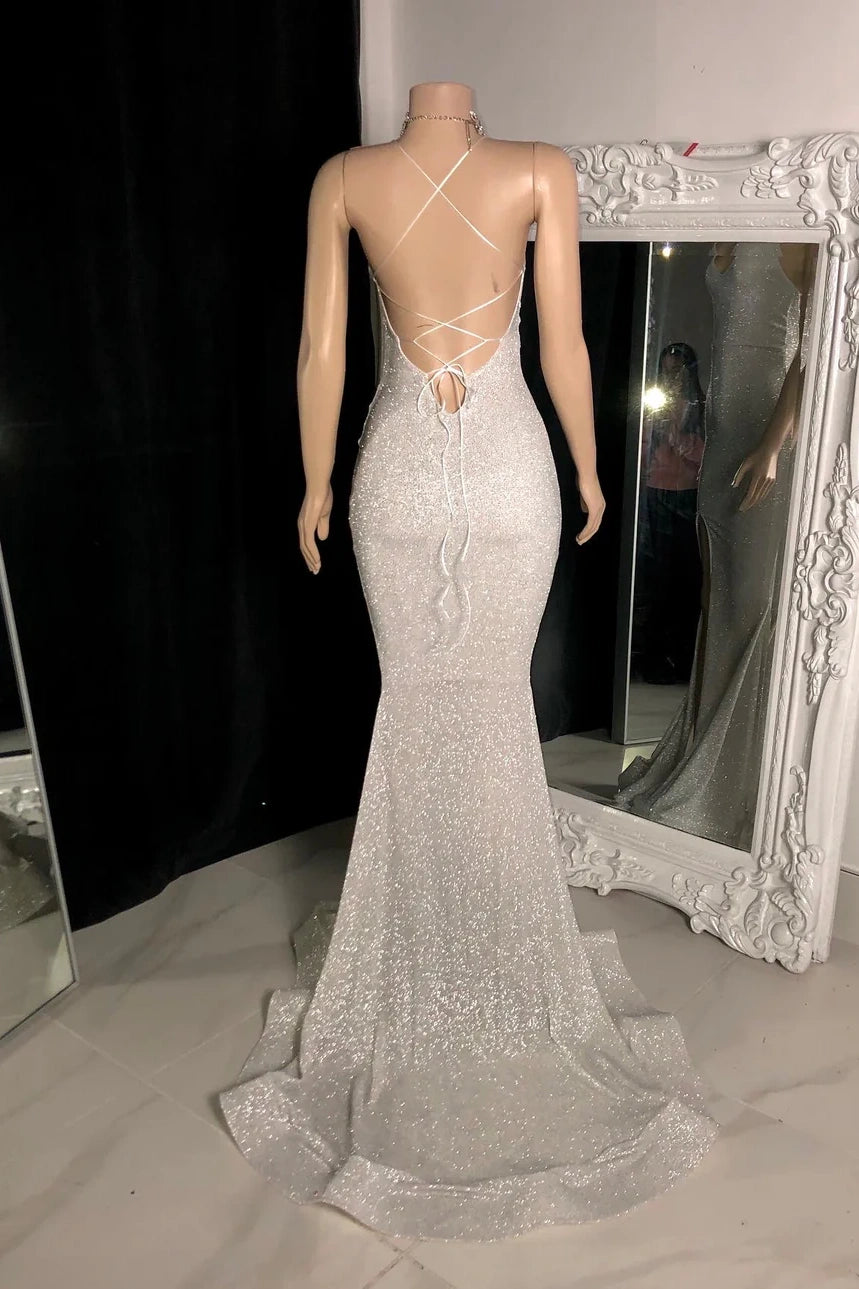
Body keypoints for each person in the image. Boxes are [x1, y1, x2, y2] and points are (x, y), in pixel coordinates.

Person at [218, 82, 719, 1242]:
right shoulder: (537, 166)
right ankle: (477, 948)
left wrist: (315, 483)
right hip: (506, 472)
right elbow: (565, 344)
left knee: (422, 709)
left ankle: (446, 941)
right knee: (486, 709)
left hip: (395, 470)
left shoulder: (346, 178)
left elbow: (320, 347)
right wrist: (589, 469)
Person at [617, 241, 816, 850]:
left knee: (753, 608)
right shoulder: (726, 229)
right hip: (722, 443)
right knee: (719, 608)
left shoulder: (800, 232)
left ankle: (738, 787)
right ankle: (697, 761)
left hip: (765, 443)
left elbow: (814, 349)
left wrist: (774, 445)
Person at [633, 341, 706, 684]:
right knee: (656, 577)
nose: (673, 376)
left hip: (688, 497)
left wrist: (682, 440)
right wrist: (651, 429)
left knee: (687, 577)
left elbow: (708, 457)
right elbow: (640, 454)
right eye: (667, 369)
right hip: (656, 494)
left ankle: (683, 656)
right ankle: (652, 657)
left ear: (689, 372)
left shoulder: (700, 408)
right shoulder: (654, 404)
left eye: (678, 369)